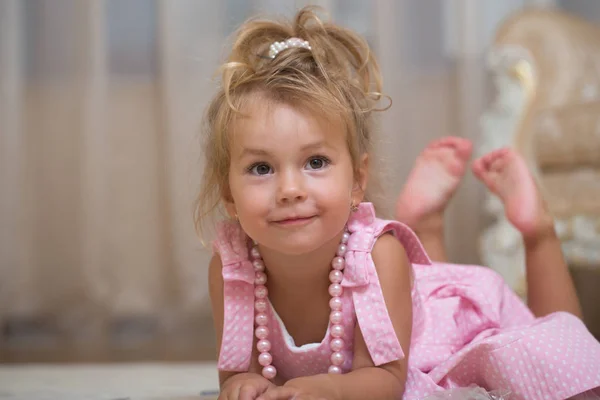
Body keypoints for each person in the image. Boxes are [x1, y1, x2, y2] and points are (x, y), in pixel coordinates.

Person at [197, 6, 600, 400]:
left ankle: (536, 232)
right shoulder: (232, 269)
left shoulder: (377, 257)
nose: (289, 189)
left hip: (451, 327)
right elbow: (238, 372)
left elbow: (388, 380)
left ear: (358, 181)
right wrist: (242, 386)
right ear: (229, 195)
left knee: (560, 355)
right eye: (261, 168)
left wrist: (332, 389)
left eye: (315, 162)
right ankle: (426, 225)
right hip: (409, 319)